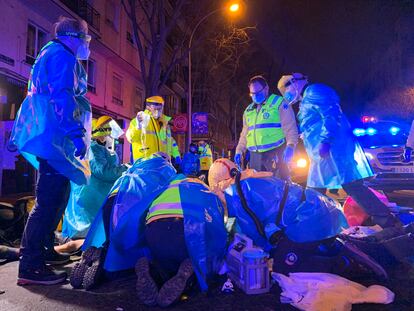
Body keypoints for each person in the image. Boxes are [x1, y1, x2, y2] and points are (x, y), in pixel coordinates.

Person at [9, 17, 92, 285]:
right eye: (85, 38)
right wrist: (75, 134)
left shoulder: (55, 53)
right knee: (48, 200)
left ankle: (43, 251)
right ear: (72, 37)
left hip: (51, 136)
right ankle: (31, 265)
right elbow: (62, 97)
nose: (87, 43)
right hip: (53, 136)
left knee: (58, 195)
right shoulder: (61, 56)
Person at [277, 73, 400, 228]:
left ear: (295, 83)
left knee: (336, 187)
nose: (287, 94)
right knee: (334, 187)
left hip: (332, 152)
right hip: (323, 153)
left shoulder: (315, 91)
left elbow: (331, 115)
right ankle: (314, 223)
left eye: (286, 88)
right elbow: (314, 123)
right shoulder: (306, 99)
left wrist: (325, 141)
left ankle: (385, 220)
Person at [62, 116, 128, 240]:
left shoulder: (98, 148)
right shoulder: (93, 149)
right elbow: (103, 171)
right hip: (91, 196)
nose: (109, 137)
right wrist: (125, 169)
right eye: (106, 134)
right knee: (89, 234)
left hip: (95, 195)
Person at [235, 75, 298, 180]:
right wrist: (239, 151)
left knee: (278, 189)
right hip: (254, 157)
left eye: (258, 93)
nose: (255, 96)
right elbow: (245, 134)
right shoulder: (248, 111)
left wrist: (291, 146)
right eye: (252, 94)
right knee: (258, 190)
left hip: (275, 154)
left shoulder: (279, 103)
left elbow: (290, 127)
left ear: (266, 89)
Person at [126, 96, 181, 164]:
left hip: (162, 164)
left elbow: (170, 142)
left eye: (160, 109)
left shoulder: (164, 124)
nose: (157, 111)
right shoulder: (139, 121)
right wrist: (138, 126)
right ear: (148, 107)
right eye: (155, 109)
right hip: (144, 165)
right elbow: (131, 138)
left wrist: (176, 155)